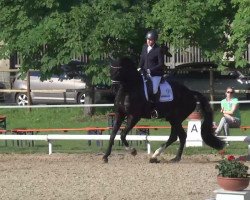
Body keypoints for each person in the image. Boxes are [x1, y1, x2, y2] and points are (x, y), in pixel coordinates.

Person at [138, 30, 164, 118]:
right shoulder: (144, 47)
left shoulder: (158, 49)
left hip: (155, 74)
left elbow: (161, 64)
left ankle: (154, 109)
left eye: (151, 40)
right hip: (144, 72)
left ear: (154, 40)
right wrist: (139, 67)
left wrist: (150, 70)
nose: (148, 41)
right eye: (148, 39)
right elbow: (142, 59)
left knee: (154, 89)